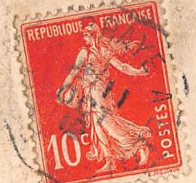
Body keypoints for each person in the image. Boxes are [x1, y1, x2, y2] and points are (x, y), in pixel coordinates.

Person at [57, 24, 152, 173]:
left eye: (87, 35)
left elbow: (122, 67)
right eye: (84, 36)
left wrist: (139, 72)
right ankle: (110, 160)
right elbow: (74, 72)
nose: (85, 38)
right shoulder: (89, 52)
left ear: (93, 35)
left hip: (99, 92)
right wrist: (63, 89)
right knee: (97, 127)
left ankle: (139, 145)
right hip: (90, 94)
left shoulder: (100, 52)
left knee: (108, 124)